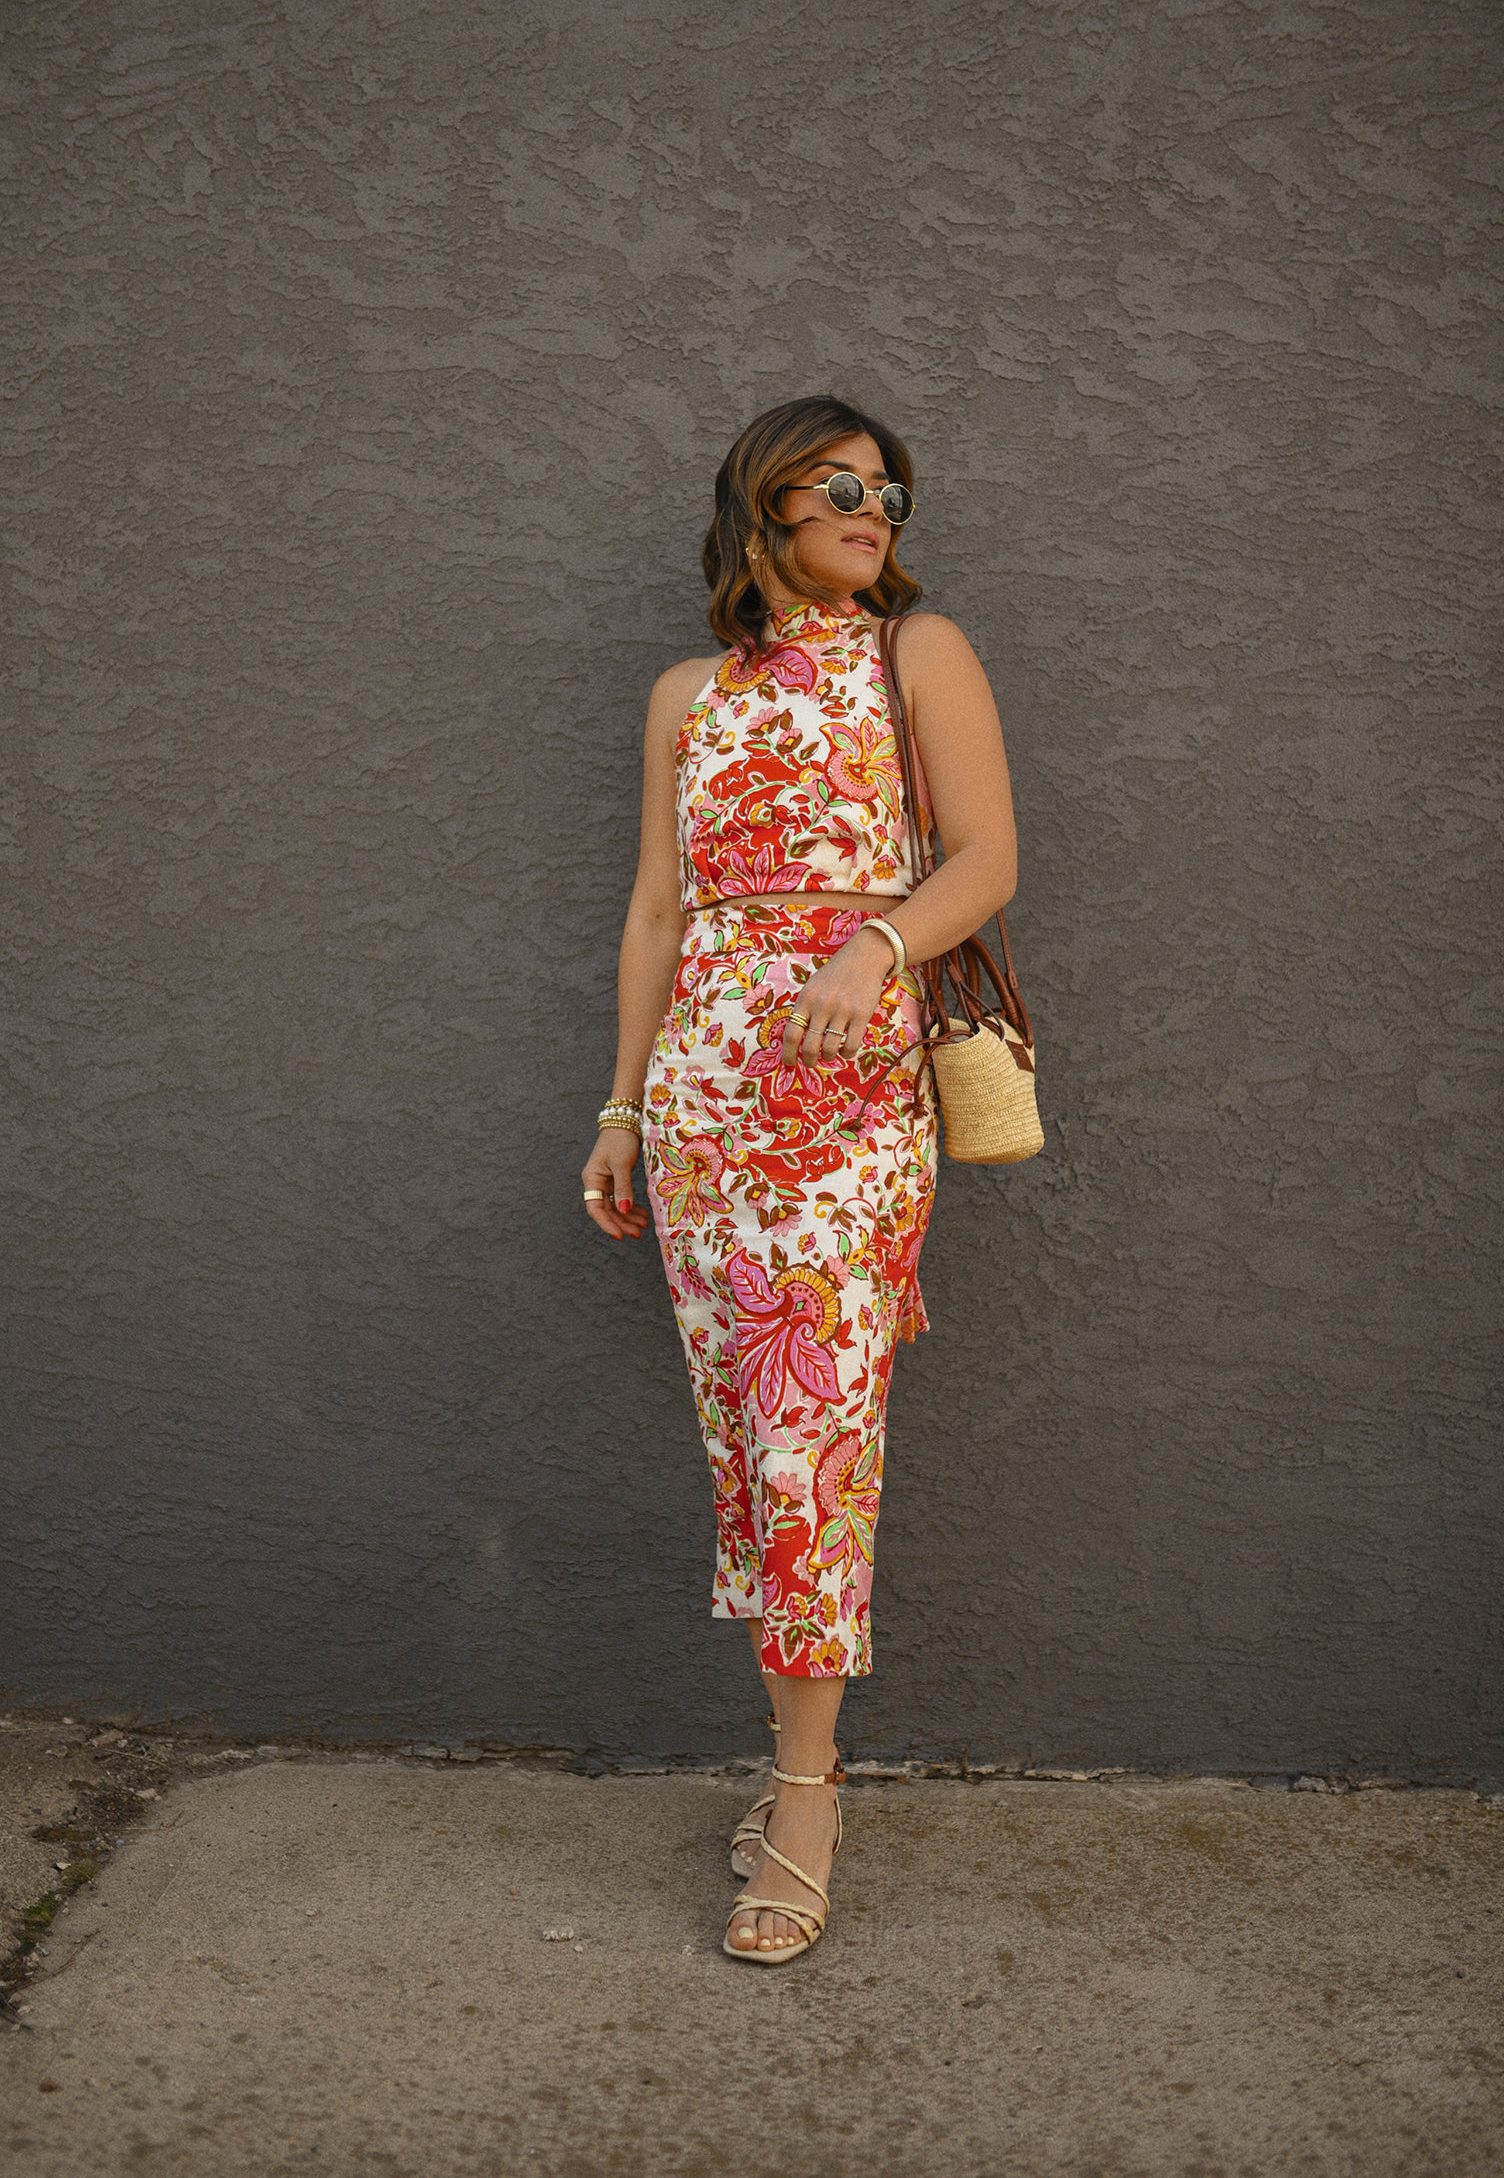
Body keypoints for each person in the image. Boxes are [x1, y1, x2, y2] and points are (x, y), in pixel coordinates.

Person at [581, 396, 1018, 1964]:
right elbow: (654, 913)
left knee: (810, 1446)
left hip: (847, 1102)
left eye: (889, 486)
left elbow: (983, 858)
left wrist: (874, 941)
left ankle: (806, 1792)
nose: (872, 504)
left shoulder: (920, 655)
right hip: (706, 1103)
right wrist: (623, 1108)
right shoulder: (685, 693)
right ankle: (792, 1767)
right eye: (836, 485)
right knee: (746, 1445)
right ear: (758, 509)